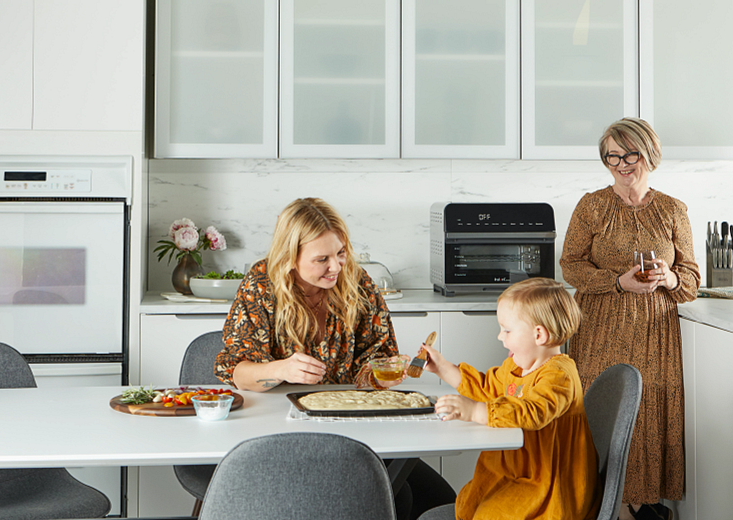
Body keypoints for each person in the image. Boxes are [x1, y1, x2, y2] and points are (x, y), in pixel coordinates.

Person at [214, 197, 456, 519]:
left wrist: (385, 373)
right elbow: (236, 371)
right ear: (291, 257)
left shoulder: (358, 284)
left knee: (439, 498)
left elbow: (372, 363)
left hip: (353, 425)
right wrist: (282, 368)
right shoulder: (261, 285)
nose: (336, 267)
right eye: (322, 259)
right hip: (280, 430)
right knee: (397, 498)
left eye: (341, 253)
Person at [560, 117, 700, 520]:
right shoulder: (593, 206)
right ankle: (613, 507)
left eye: (629, 154)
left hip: (654, 331)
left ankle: (641, 506)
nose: (621, 164)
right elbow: (570, 266)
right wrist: (617, 282)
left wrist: (669, 277)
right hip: (601, 325)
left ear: (649, 154)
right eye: (611, 156)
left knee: (645, 417)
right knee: (603, 415)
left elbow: (690, 280)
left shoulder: (673, 210)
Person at [418, 277, 601, 520]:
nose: (499, 337)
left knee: (489, 515)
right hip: (517, 469)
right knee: (470, 505)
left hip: (549, 482)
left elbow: (533, 412)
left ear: (538, 335)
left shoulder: (559, 375)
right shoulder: (515, 367)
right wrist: (442, 367)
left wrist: (475, 412)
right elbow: (485, 386)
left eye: (507, 330)